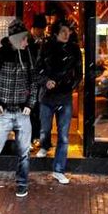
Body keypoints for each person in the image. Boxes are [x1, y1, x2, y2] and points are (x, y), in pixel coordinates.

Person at [0, 19, 36, 205]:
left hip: (22, 112)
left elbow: (33, 82)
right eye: (24, 39)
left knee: (24, 153)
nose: (27, 42)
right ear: (17, 38)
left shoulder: (27, 55)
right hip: (3, 112)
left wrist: (30, 104)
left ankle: (22, 183)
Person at [35, 19, 82, 185]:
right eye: (63, 31)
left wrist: (70, 86)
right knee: (45, 128)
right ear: (56, 33)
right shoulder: (46, 47)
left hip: (64, 96)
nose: (66, 34)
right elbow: (37, 69)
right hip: (47, 96)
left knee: (63, 135)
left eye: (68, 32)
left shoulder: (74, 49)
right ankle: (45, 145)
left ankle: (59, 169)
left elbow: (79, 73)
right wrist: (45, 81)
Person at [28, 13, 48, 148]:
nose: (41, 32)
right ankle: (31, 138)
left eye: (43, 29)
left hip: (40, 80)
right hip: (30, 80)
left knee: (40, 110)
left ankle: (38, 137)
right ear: (34, 28)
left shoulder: (44, 41)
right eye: (40, 29)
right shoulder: (28, 41)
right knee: (31, 109)